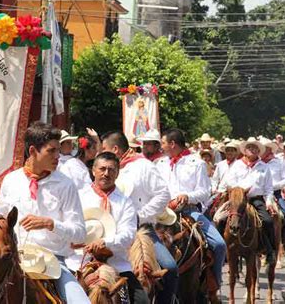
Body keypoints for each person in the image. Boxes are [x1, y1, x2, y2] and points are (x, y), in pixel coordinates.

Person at [0, 122, 89, 303]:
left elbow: (80, 234)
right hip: (15, 260)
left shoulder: (66, 184)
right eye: (51, 151)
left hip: (54, 263)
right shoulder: (10, 181)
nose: (58, 156)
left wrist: (51, 224)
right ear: (32, 151)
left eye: (58, 150)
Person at [100, 131, 177, 304]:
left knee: (170, 268)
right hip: (110, 230)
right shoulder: (107, 169)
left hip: (141, 229)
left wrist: (140, 216)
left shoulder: (143, 166)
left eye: (104, 148)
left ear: (115, 149)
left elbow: (163, 194)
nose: (101, 153)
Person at [67, 152, 149, 304]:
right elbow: (69, 225)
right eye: (102, 169)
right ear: (93, 170)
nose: (106, 174)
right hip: (79, 263)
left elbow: (128, 235)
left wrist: (106, 242)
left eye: (111, 170)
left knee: (142, 301)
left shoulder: (126, 202)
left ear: (117, 173)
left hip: (116, 264)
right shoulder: (78, 196)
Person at [161, 129, 226, 292]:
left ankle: (213, 284)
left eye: (163, 143)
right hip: (162, 212)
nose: (161, 147)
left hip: (188, 211)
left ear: (172, 144)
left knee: (219, 244)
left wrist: (187, 196)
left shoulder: (196, 163)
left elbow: (204, 191)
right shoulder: (160, 164)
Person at [222, 137, 277, 264]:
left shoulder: (264, 167)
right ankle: (221, 248)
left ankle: (270, 250)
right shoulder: (237, 165)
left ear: (259, 151)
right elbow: (229, 181)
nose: (252, 150)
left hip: (256, 199)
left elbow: (269, 188)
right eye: (250, 148)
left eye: (255, 148)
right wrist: (239, 190)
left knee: (267, 221)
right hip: (237, 199)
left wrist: (269, 202)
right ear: (245, 150)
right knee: (219, 218)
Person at [259, 137, 285, 251]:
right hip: (259, 194)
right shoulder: (257, 163)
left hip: (276, 193)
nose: (261, 151)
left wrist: (274, 186)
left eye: (264, 148)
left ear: (269, 150)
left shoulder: (278, 162)